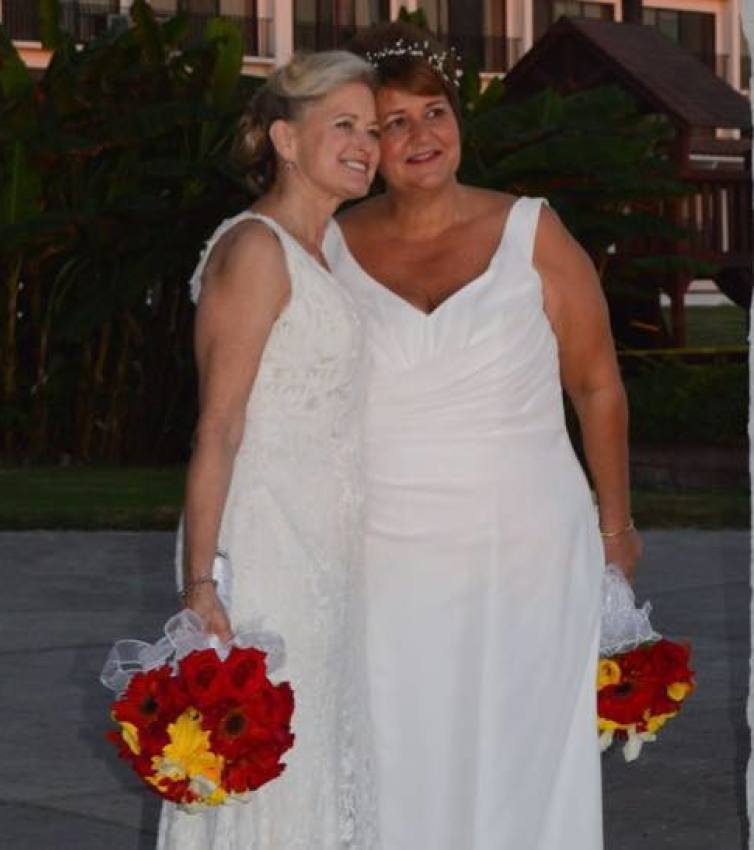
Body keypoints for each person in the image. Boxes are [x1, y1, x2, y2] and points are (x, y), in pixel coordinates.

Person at [322, 22, 643, 850]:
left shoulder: (532, 230)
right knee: (395, 751)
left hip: (527, 548)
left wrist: (617, 527)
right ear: (367, 145)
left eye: (435, 112)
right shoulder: (330, 248)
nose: (421, 135)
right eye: (395, 122)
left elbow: (597, 384)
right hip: (382, 551)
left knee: (523, 755)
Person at [157, 51, 381, 850]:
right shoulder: (256, 249)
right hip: (265, 547)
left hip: (328, 543)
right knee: (265, 752)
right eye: (344, 125)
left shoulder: (333, 250)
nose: (367, 143)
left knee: (318, 745)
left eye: (371, 128)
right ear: (287, 140)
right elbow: (217, 426)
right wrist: (202, 582)